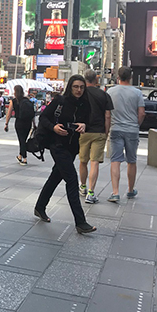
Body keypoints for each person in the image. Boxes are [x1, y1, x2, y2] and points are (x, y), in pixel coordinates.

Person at [33, 75, 96, 234]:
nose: (79, 90)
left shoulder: (85, 103)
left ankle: (40, 207)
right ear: (70, 87)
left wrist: (84, 125)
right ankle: (80, 222)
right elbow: (44, 118)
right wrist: (54, 127)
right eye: (75, 86)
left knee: (56, 176)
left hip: (72, 147)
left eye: (81, 87)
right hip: (57, 145)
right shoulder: (60, 101)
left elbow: (90, 122)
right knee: (72, 180)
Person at [106, 67, 145, 202]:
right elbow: (142, 113)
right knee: (131, 161)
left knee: (115, 160)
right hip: (132, 130)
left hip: (116, 128)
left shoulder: (110, 91)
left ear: (118, 76)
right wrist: (136, 124)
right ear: (131, 77)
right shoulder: (137, 92)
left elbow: (108, 113)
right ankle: (130, 190)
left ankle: (115, 192)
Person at [78, 69, 114, 203]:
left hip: (83, 131)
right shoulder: (104, 95)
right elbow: (108, 115)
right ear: (96, 79)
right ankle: (91, 193)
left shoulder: (81, 94)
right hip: (99, 131)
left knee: (83, 161)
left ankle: (82, 186)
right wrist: (106, 131)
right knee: (94, 162)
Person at [4, 85, 36, 165]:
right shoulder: (27, 100)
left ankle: (24, 158)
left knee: (21, 140)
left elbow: (9, 113)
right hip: (28, 123)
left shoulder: (14, 101)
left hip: (19, 122)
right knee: (23, 140)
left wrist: (6, 123)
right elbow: (32, 113)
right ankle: (20, 156)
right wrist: (34, 124)